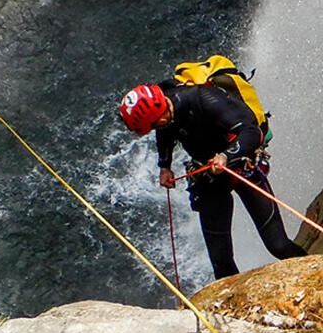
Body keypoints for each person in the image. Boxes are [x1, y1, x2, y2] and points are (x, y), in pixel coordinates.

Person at [121, 79, 306, 279]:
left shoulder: (205, 98)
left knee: (278, 245)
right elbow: (164, 134)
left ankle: (312, 271)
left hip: (241, 167)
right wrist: (165, 166)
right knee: (222, 265)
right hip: (207, 176)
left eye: (157, 122)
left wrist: (226, 156)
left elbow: (252, 132)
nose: (159, 126)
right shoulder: (162, 117)